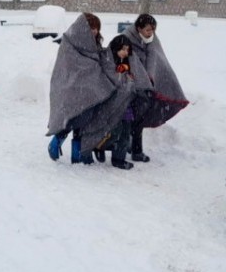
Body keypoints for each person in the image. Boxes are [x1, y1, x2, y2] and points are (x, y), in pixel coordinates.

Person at [46, 13, 134, 165]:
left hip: (89, 90)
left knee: (84, 121)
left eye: (96, 28)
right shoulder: (70, 42)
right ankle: (56, 142)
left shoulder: (94, 43)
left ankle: (77, 155)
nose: (94, 31)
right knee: (71, 118)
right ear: (83, 28)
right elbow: (67, 67)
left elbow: (99, 61)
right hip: (72, 89)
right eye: (92, 28)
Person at [121, 14, 189, 162]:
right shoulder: (126, 38)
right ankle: (133, 149)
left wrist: (150, 76)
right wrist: (138, 78)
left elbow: (155, 56)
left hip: (147, 87)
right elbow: (126, 61)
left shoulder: (152, 38)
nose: (150, 33)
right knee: (132, 118)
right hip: (131, 86)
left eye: (152, 30)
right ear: (138, 28)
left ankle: (131, 146)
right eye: (147, 30)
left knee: (138, 117)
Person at [93, 34, 154, 170]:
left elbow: (134, 79)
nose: (126, 52)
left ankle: (118, 159)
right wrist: (127, 80)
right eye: (123, 49)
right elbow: (113, 81)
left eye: (128, 50)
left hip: (126, 105)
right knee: (115, 132)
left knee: (125, 131)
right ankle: (99, 146)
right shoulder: (108, 61)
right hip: (112, 105)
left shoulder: (128, 63)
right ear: (116, 48)